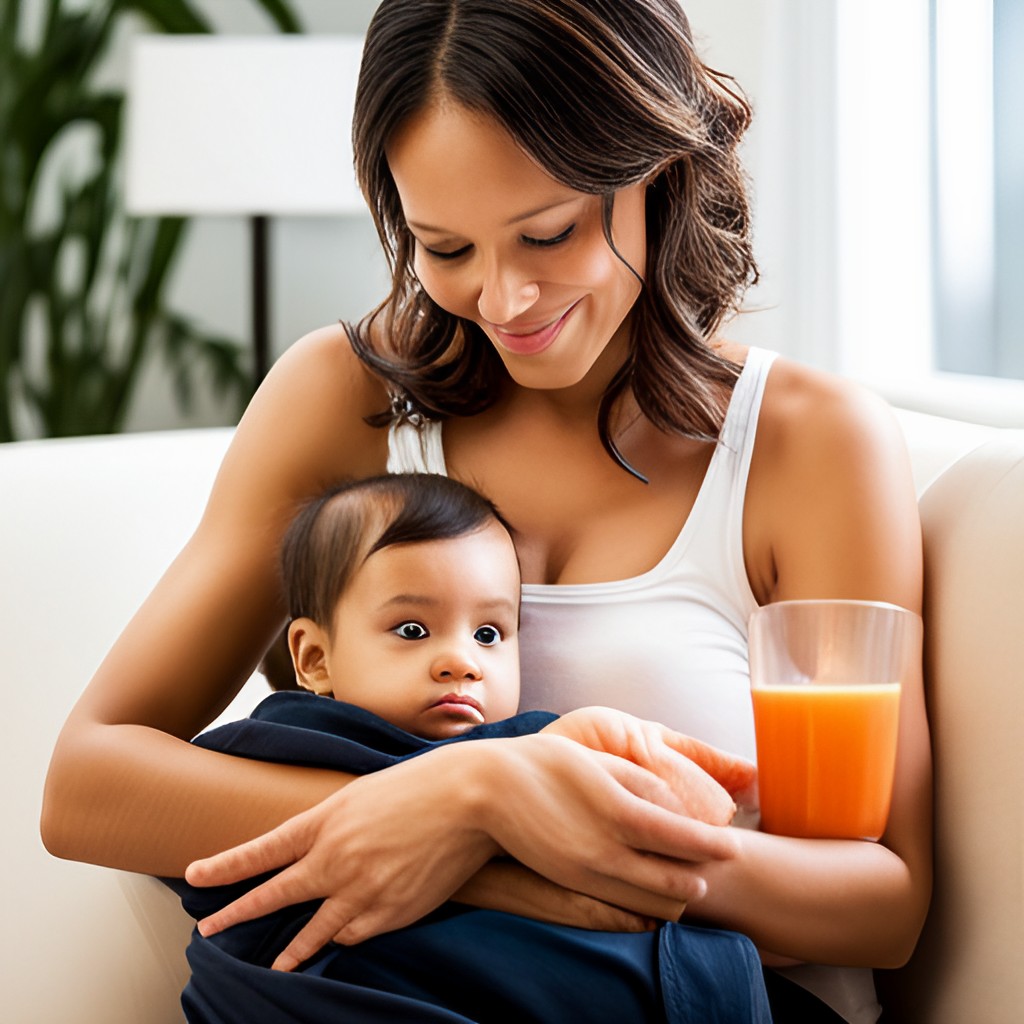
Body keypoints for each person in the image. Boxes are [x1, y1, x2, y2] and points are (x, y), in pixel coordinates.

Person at [41, 2, 932, 1022]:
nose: (505, 299)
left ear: (655, 168)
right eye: (445, 246)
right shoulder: (341, 400)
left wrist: (492, 814)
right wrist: (478, 798)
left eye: (545, 232)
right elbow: (88, 783)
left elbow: (883, 903)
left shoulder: (808, 447)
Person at [168, 471, 768, 1021]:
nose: (461, 661)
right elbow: (200, 858)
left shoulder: (541, 746)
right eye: (412, 630)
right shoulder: (279, 747)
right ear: (315, 658)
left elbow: (672, 835)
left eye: (488, 634)